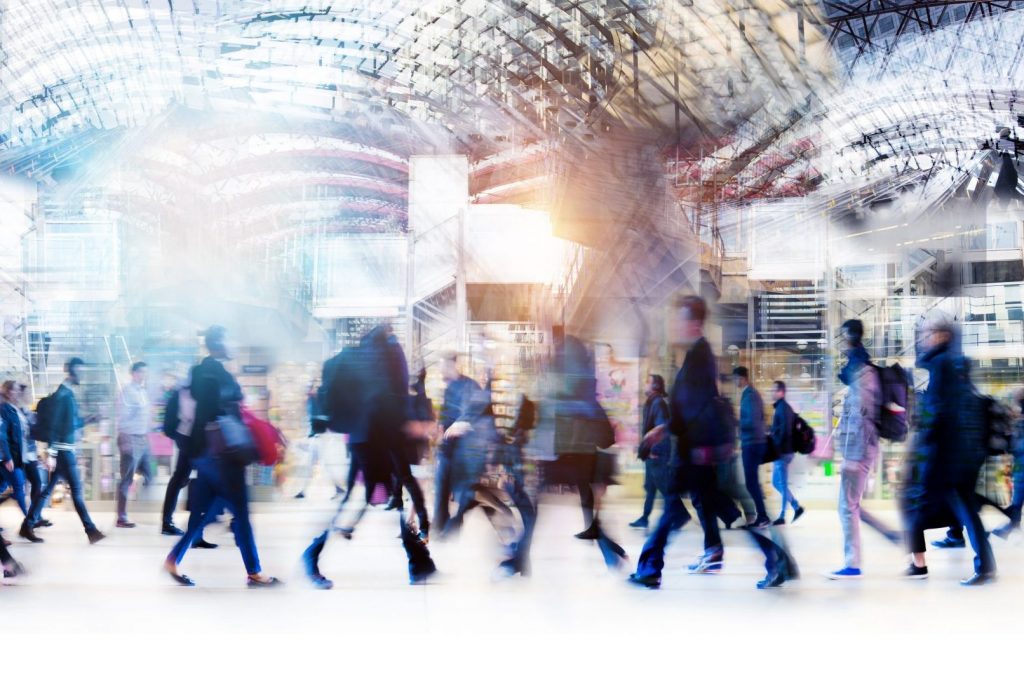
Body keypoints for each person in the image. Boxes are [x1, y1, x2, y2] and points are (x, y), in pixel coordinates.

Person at [629, 296, 797, 589]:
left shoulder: (699, 357)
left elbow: (690, 409)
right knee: (710, 510)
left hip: (697, 454)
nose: (674, 326)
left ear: (693, 323)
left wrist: (660, 431)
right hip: (699, 453)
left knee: (679, 511)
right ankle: (759, 557)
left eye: (678, 320)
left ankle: (651, 568)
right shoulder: (697, 355)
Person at [302, 325, 436, 588]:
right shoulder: (387, 353)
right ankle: (312, 554)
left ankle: (420, 564)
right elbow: (389, 396)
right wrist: (408, 423)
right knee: (367, 498)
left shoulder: (360, 356)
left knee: (387, 497)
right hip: (381, 436)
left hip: (365, 438)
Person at [164, 326, 279, 588]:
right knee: (240, 509)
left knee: (204, 512)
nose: (233, 343)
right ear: (218, 344)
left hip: (206, 454)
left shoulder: (199, 372)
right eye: (229, 339)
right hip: (223, 453)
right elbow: (213, 411)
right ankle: (255, 571)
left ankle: (174, 558)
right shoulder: (214, 374)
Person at [901, 317, 996, 585]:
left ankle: (983, 566)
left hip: (948, 455)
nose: (924, 338)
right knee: (962, 507)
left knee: (954, 506)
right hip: (961, 453)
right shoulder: (956, 366)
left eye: (929, 333)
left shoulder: (942, 365)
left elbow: (936, 413)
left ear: (942, 335)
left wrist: (924, 444)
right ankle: (958, 553)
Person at [20, 358, 105, 545]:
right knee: (76, 490)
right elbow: (55, 426)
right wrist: (50, 452)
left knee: (48, 490)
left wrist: (89, 419)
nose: (81, 374)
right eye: (78, 370)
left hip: (65, 450)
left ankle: (28, 524)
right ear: (69, 371)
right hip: (64, 451)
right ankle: (91, 530)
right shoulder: (63, 396)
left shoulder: (67, 394)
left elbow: (69, 424)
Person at [827, 320, 882, 579]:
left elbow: (861, 419)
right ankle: (857, 557)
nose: (840, 345)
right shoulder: (859, 370)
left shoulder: (862, 373)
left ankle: (853, 563)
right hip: (857, 451)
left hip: (858, 452)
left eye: (842, 337)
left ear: (850, 337)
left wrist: (851, 457)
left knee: (847, 507)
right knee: (850, 506)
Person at [630, 374, 690, 530]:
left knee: (665, 488)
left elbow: (662, 427)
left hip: (656, 454)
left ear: (655, 386)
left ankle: (682, 515)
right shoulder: (652, 402)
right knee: (650, 487)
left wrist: (653, 450)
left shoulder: (658, 403)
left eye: (648, 382)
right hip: (651, 452)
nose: (645, 384)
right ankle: (645, 517)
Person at [434, 352, 480, 533]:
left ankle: (451, 526)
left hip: (463, 449)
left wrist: (461, 423)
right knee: (442, 487)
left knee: (463, 491)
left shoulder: (468, 385)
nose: (440, 370)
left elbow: (472, 412)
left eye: (442, 365)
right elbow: (445, 416)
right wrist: (439, 429)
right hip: (447, 448)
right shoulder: (449, 387)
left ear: (451, 365)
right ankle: (440, 528)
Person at [4, 382, 48, 528]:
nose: (28, 396)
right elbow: (5, 435)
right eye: (25, 393)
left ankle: (33, 518)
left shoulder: (18, 410)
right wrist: (7, 456)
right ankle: (31, 520)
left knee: (21, 487)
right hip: (17, 457)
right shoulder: (12, 409)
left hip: (24, 456)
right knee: (22, 487)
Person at [115, 361, 153, 528]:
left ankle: (139, 506)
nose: (144, 376)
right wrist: (126, 441)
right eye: (141, 372)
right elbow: (123, 417)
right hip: (130, 438)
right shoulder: (127, 392)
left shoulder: (142, 391)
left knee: (150, 474)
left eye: (145, 372)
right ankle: (121, 517)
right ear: (134, 373)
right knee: (126, 479)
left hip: (143, 439)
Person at [733, 367, 770, 528]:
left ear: (742, 378)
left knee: (751, 482)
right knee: (752, 482)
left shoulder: (750, 395)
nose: (735, 382)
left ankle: (762, 516)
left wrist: (736, 421)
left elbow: (752, 422)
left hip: (753, 443)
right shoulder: (750, 394)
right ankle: (761, 515)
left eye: (735, 379)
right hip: (752, 442)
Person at [770, 381, 805, 525]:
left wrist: (776, 446)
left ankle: (782, 515)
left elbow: (785, 431)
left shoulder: (783, 408)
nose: (772, 393)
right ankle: (796, 506)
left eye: (774, 390)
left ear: (781, 392)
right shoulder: (782, 408)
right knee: (776, 483)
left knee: (782, 484)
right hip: (783, 450)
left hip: (783, 451)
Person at [993, 388, 1024, 539]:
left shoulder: (1019, 423)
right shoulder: (1018, 423)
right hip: (1020, 465)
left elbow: (1016, 446)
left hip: (1021, 465)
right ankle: (1013, 525)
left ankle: (1011, 526)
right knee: (1017, 498)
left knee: (1018, 498)